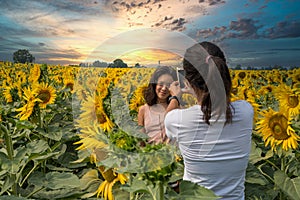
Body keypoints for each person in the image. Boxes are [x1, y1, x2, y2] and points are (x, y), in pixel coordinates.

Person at [164, 41, 254, 199]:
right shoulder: (246, 111)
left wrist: (175, 97)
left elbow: (168, 119)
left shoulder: (178, 120)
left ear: (188, 81)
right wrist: (200, 93)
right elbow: (219, 103)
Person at [138, 65, 177, 144]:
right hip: (151, 153)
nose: (164, 88)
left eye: (169, 85)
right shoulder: (143, 110)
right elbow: (141, 140)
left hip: (173, 154)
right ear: (154, 84)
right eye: (161, 84)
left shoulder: (177, 109)